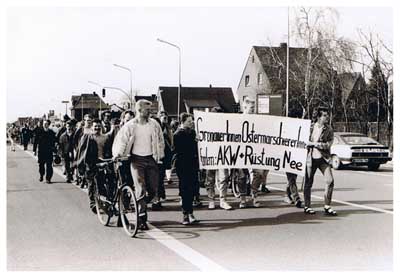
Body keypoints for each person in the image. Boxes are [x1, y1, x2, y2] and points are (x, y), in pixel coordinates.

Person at [112, 99, 165, 230]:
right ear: (139, 110)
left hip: (151, 158)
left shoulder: (154, 124)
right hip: (136, 160)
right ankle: (142, 218)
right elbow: (122, 140)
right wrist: (118, 154)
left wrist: (160, 155)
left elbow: (160, 140)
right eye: (148, 110)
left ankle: (138, 203)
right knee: (140, 188)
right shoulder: (130, 125)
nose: (150, 112)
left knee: (153, 189)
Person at [304, 107, 337, 216]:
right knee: (308, 182)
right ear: (318, 117)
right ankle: (307, 206)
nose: (327, 117)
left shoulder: (329, 129)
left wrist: (316, 144)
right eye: (324, 115)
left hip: (323, 158)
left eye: (327, 115)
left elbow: (329, 144)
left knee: (330, 180)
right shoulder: (310, 127)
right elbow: (303, 140)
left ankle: (327, 205)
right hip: (311, 158)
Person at [237, 96, 267, 208]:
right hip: (241, 151)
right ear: (245, 107)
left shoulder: (257, 120)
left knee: (259, 174)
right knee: (242, 176)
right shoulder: (237, 120)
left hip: (255, 151)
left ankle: (254, 195)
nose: (253, 110)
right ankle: (243, 198)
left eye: (254, 108)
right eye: (251, 108)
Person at [173, 113, 200, 225]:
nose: (191, 123)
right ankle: (185, 214)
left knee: (193, 188)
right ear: (182, 122)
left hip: (193, 164)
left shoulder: (193, 132)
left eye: (191, 121)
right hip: (183, 165)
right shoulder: (177, 134)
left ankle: (191, 213)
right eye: (189, 121)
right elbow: (179, 150)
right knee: (185, 190)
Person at [205, 107, 233, 210]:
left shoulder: (225, 126)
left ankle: (223, 200)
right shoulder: (206, 126)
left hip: (222, 155)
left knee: (224, 177)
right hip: (211, 155)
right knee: (210, 178)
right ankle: (211, 200)